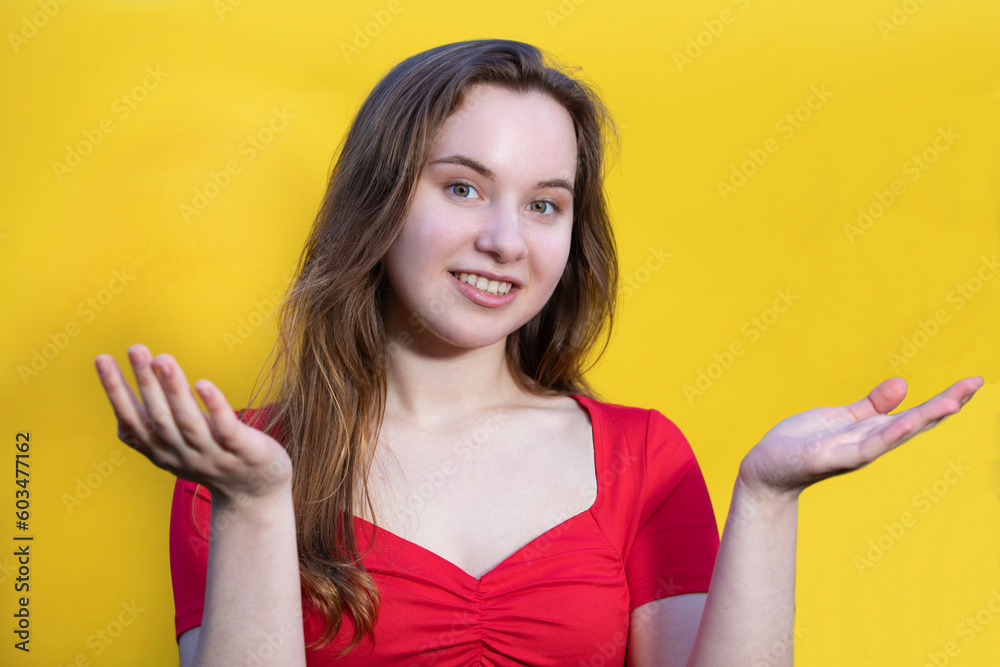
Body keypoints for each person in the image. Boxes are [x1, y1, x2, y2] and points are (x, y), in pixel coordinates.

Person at [93, 39, 984, 666]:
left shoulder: (645, 458)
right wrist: (252, 504)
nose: (504, 240)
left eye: (545, 204)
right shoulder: (243, 464)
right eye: (463, 186)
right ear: (381, 201)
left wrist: (768, 498)